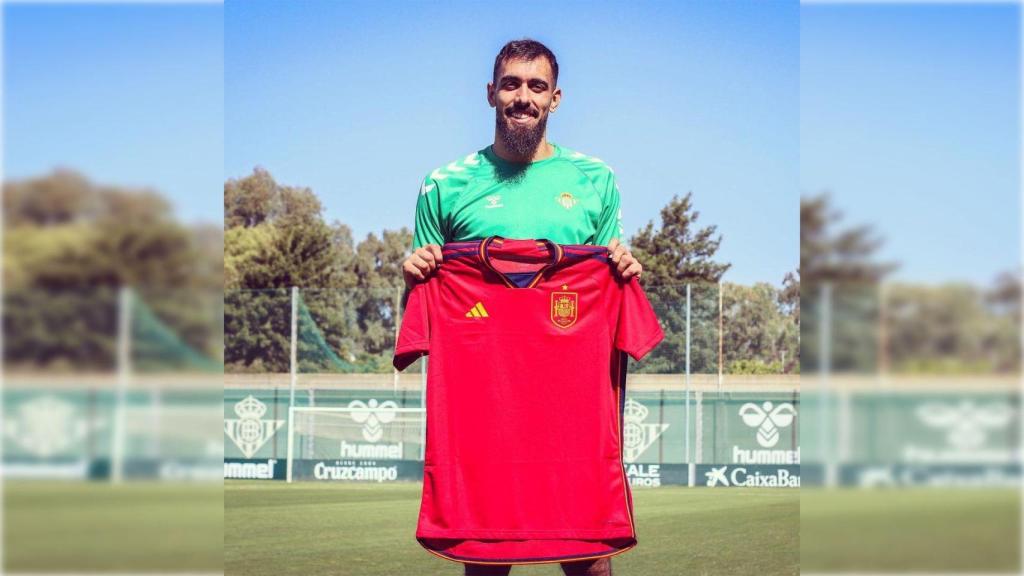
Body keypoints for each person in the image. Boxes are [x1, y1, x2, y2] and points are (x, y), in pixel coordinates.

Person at [401, 39, 642, 576]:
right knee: (486, 557)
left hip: (571, 399)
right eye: (511, 84)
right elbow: (425, 301)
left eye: (536, 86)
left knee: (587, 557)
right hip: (484, 402)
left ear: (555, 99)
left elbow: (605, 276)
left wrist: (622, 269)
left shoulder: (595, 181)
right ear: (491, 93)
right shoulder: (443, 184)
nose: (522, 97)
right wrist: (414, 273)